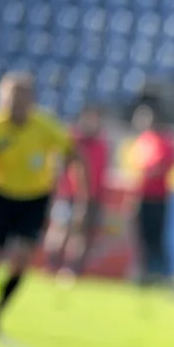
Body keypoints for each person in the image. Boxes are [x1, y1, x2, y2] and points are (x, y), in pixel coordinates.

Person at [0, 72, 82, 338]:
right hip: (0, 196)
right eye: (10, 97)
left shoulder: (46, 126)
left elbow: (74, 157)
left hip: (34, 199)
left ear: (32, 100)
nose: (15, 103)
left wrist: (78, 197)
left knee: (20, 260)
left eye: (21, 98)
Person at [47, 106, 109, 279]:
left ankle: (73, 270)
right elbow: (60, 167)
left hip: (93, 197)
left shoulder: (101, 144)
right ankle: (52, 266)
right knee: (61, 230)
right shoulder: (71, 140)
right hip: (69, 195)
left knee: (83, 234)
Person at [128, 106, 174, 285]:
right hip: (141, 196)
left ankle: (159, 274)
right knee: (142, 237)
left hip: (158, 197)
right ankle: (143, 274)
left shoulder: (164, 141)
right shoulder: (141, 141)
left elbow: (166, 166)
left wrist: (150, 173)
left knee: (156, 237)